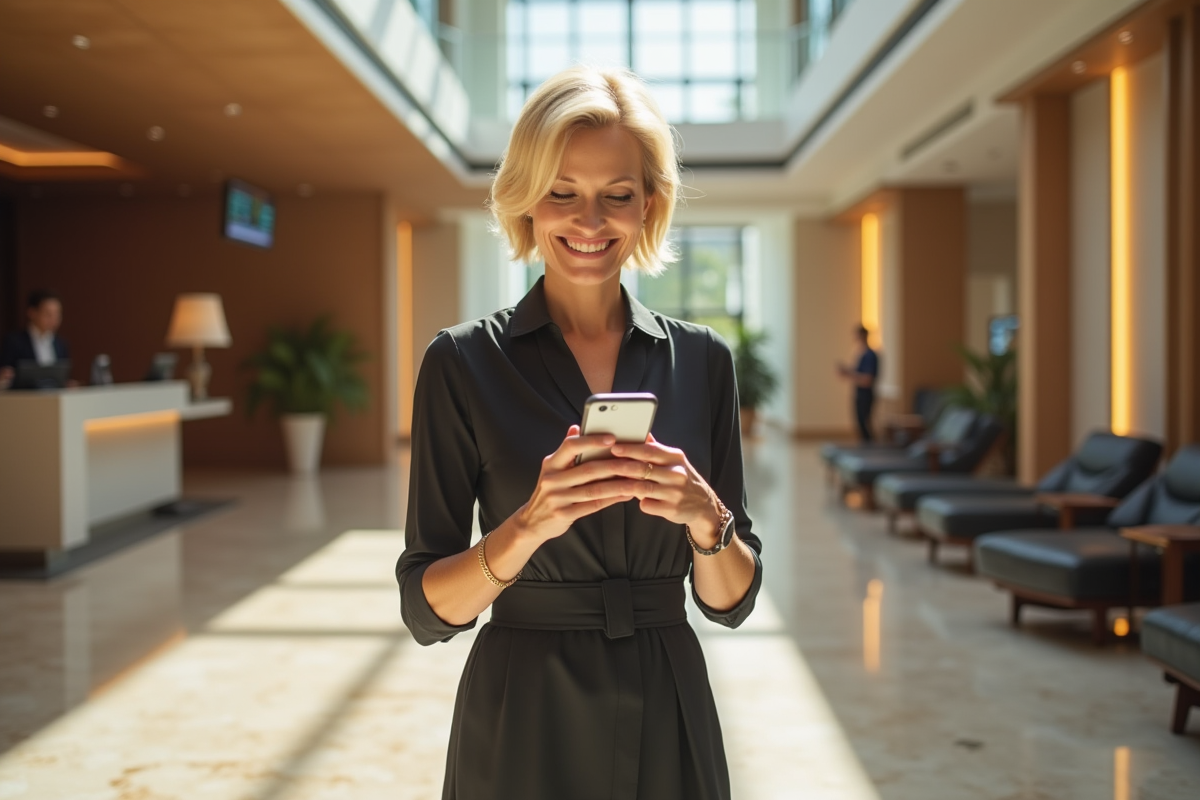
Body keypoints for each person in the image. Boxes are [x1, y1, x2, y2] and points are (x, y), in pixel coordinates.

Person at [395, 66, 762, 800]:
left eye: (616, 196)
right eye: (562, 192)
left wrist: (707, 520)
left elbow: (731, 602)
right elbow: (426, 610)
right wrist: (528, 525)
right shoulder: (462, 362)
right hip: (523, 707)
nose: (589, 222)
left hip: (667, 695)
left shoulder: (703, 360)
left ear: (648, 204)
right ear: (526, 199)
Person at [0, 290, 71, 390]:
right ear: (32, 313)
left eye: (57, 314)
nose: (53, 319)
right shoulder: (14, 342)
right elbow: (6, 375)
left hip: (54, 396)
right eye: (48, 314)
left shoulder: (61, 344)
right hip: (25, 397)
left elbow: (63, 377)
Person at [836, 324, 879, 443]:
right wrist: (847, 372)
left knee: (864, 422)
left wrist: (850, 374)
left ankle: (870, 446)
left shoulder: (870, 356)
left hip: (866, 395)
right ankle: (866, 445)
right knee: (860, 423)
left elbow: (868, 379)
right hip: (859, 393)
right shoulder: (861, 354)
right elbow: (858, 374)